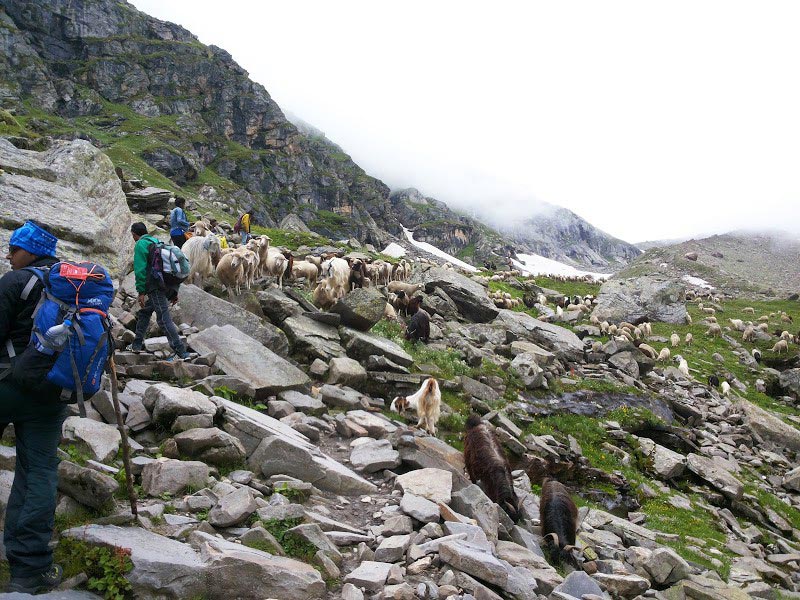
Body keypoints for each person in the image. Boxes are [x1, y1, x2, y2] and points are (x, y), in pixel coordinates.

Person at [0, 221, 65, 593]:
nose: (9, 255)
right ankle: (28, 570)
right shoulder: (69, 287)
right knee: (38, 471)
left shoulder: (16, 281)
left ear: (31, 251)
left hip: (6, 384)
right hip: (49, 394)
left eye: (14, 248)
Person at [128, 222, 192, 360]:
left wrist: (141, 292)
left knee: (163, 319)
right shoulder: (157, 242)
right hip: (169, 285)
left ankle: (181, 351)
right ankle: (136, 344)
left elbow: (140, 270)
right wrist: (175, 292)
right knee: (145, 312)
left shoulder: (140, 244)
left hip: (156, 286)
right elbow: (170, 267)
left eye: (132, 235)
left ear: (134, 234)